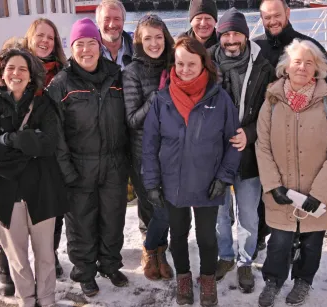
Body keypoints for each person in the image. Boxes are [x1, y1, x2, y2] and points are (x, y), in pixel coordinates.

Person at [142, 36, 241, 307]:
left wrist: (224, 177)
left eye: (191, 64)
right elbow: (149, 145)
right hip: (172, 183)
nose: (184, 69)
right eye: (180, 63)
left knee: (208, 237)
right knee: (179, 235)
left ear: (203, 65)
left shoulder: (219, 99)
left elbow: (234, 143)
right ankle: (183, 277)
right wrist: (151, 182)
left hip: (208, 183)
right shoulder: (162, 100)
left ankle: (207, 279)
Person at [255, 39, 327, 307]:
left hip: (318, 193)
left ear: (318, 68)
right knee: (279, 242)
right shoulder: (271, 101)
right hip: (282, 191)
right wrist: (273, 185)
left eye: (310, 63)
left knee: (311, 243)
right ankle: (273, 280)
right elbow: (262, 146)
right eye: (297, 61)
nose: (303, 67)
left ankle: (304, 281)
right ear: (286, 66)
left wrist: (319, 194)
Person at [45, 18, 129, 297]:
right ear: (72, 49)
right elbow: (54, 134)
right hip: (80, 166)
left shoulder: (117, 76)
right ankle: (85, 271)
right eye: (79, 44)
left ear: (99, 45)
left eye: (91, 43)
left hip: (114, 164)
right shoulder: (61, 83)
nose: (86, 50)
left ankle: (110, 264)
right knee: (81, 222)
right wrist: (66, 171)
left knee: (113, 219)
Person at [0, 46, 67, 307]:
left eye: (23, 69)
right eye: (10, 68)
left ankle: (47, 299)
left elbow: (49, 144)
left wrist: (8, 140)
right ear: (1, 73)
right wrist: (28, 144)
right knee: (16, 255)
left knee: (46, 254)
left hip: (42, 190)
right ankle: (26, 300)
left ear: (31, 75)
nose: (16, 73)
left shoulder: (43, 104)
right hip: (6, 193)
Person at [207, 8, 275, 293]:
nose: (231, 40)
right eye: (226, 34)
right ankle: (225, 256)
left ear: (246, 36)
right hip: (216, 154)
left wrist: (249, 133)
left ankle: (245, 261)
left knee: (248, 213)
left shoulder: (262, 64)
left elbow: (269, 108)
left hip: (249, 153)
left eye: (237, 34)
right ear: (220, 36)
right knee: (220, 213)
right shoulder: (207, 61)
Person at [123, 14, 175, 281]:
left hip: (174, 153)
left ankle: (157, 250)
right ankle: (152, 251)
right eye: (147, 38)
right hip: (144, 154)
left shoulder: (175, 65)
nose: (154, 43)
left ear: (165, 38)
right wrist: (155, 97)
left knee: (168, 206)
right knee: (153, 206)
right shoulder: (132, 72)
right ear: (139, 42)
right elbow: (132, 120)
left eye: (158, 37)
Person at [254, 0, 327, 82]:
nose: (273, 22)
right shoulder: (253, 48)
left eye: (277, 15)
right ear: (262, 18)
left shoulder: (313, 47)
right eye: (267, 18)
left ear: (287, 13)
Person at [96, 0, 133, 69]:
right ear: (98, 22)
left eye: (117, 19)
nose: (112, 25)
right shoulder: (89, 53)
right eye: (106, 19)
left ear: (123, 21)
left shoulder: (137, 49)